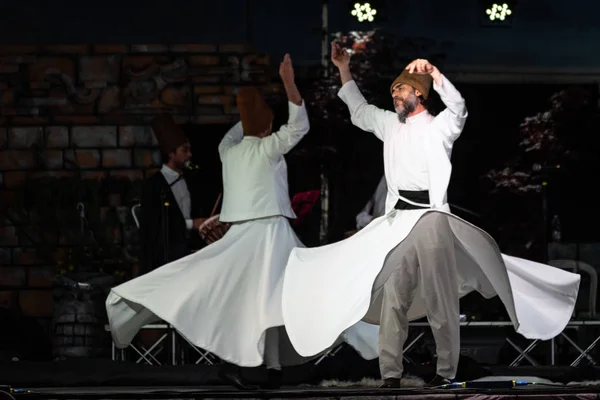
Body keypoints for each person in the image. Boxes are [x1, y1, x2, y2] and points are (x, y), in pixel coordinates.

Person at [280, 42, 581, 388]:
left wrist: (435, 75)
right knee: (395, 296)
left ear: (418, 94)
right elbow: (359, 109)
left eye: (401, 89)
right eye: (393, 90)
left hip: (432, 217)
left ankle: (445, 372)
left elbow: (460, 109)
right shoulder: (390, 125)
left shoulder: (439, 127)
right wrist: (343, 68)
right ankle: (390, 374)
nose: (395, 95)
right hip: (398, 222)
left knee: (440, 296)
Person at [107, 54, 312, 390]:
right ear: (265, 127)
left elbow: (237, 132)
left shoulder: (228, 151)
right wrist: (287, 83)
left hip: (246, 234)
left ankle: (268, 368)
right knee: (275, 296)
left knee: (255, 298)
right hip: (268, 235)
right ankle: (258, 367)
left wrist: (249, 109)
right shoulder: (267, 148)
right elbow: (299, 126)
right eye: (269, 125)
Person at [138, 115, 207, 274]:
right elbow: (155, 228)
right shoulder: (154, 186)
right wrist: (192, 224)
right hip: (165, 258)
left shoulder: (188, 180)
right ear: (171, 153)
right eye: (184, 150)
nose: (189, 155)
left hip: (187, 251)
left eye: (189, 150)